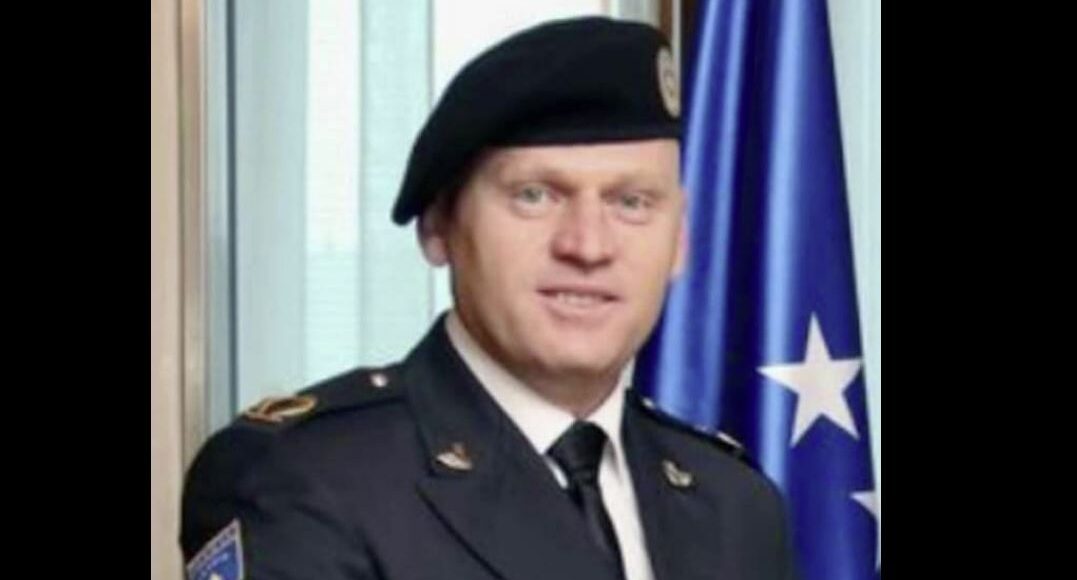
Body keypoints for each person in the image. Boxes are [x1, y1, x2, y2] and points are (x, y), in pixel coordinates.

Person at [181, 16, 797, 580]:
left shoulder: (736, 505)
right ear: (438, 226)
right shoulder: (305, 480)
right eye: (535, 196)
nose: (588, 246)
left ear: (680, 240)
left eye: (632, 202)